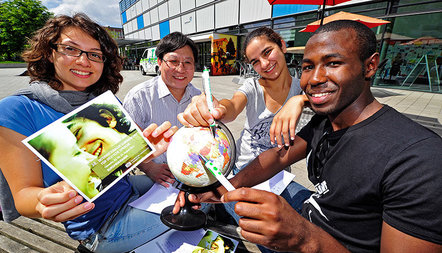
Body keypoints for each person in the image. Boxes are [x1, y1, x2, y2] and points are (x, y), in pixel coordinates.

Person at [177, 20, 442, 252]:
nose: (314, 78)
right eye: (307, 67)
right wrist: (224, 186)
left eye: (333, 63)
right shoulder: (325, 122)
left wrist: (303, 237)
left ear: (370, 65)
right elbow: (279, 156)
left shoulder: (418, 160)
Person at [0, 13, 177, 253]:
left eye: (94, 54)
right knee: (195, 207)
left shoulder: (102, 102)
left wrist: (146, 149)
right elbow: (24, 196)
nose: (83, 61)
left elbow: (113, 163)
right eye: (71, 49)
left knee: (194, 187)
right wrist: (44, 201)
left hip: (128, 191)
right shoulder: (16, 109)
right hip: (99, 226)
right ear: (50, 52)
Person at [178, 27, 307, 174]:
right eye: (255, 62)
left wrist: (299, 99)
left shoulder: (301, 87)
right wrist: (218, 107)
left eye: (267, 52)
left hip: (279, 170)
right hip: (243, 167)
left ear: (282, 46)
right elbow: (232, 105)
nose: (264, 64)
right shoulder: (252, 86)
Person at [123, 32, 202, 188]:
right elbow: (127, 146)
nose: (181, 69)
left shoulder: (198, 97)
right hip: (158, 176)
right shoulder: (138, 97)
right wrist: (150, 168)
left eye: (188, 62)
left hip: (192, 172)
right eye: (173, 61)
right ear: (159, 62)